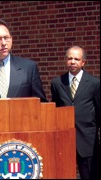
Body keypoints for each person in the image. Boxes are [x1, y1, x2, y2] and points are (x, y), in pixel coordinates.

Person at [50, 46, 100, 179]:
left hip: (87, 140)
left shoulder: (94, 83)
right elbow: (55, 110)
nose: (73, 62)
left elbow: (99, 111)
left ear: (83, 62)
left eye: (76, 59)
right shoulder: (56, 83)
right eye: (70, 58)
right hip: (64, 139)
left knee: (89, 175)